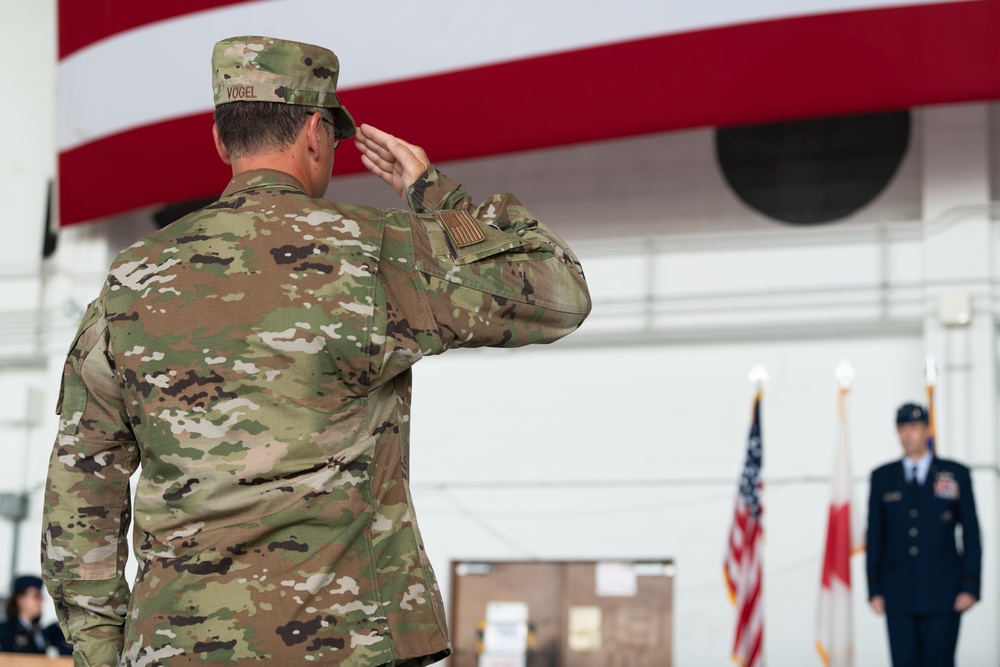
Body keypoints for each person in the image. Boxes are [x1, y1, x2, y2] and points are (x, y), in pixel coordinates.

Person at [40, 35, 590, 667]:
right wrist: (435, 195)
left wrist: (101, 654)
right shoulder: (373, 251)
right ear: (314, 133)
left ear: (222, 141)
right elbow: (558, 293)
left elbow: (81, 484)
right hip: (343, 642)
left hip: (174, 646)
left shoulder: (132, 278)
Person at [866, 402, 982, 667]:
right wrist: (874, 588)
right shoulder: (883, 477)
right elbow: (875, 534)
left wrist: (970, 585)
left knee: (939, 661)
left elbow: (971, 533)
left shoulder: (955, 474)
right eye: (903, 428)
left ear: (927, 430)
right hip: (898, 593)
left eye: (915, 427)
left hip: (944, 593)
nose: (909, 434)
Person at [0, 575, 72, 654]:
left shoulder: (40, 632)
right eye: (36, 596)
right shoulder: (5, 631)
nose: (41, 600)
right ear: (20, 600)